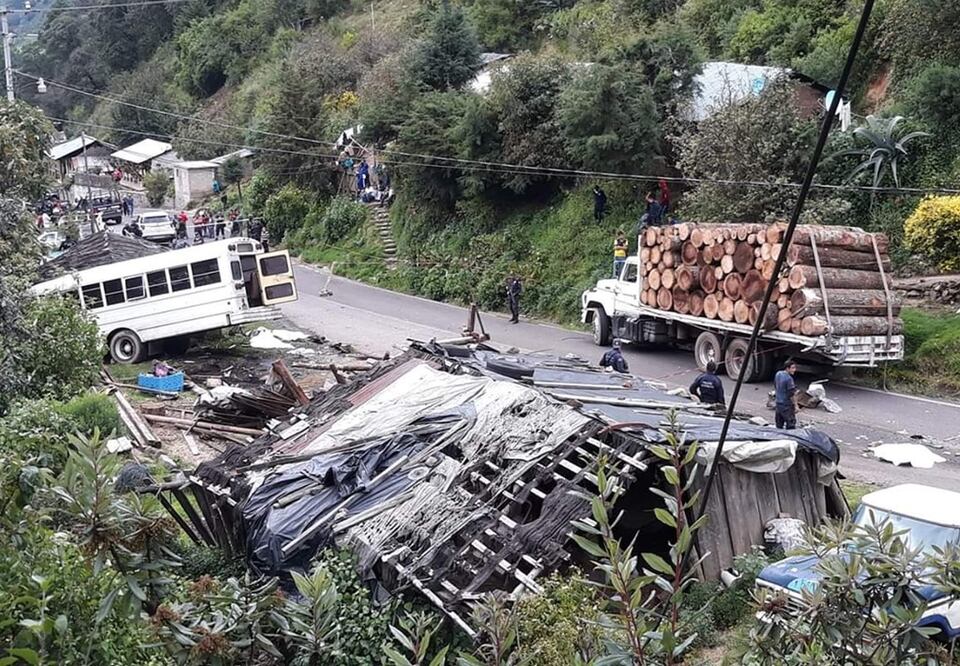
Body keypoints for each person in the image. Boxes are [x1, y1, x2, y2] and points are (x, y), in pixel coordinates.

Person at [774, 359, 799, 430]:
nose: (794, 370)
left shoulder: (778, 374)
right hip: (786, 405)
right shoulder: (789, 379)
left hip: (778, 403)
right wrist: (796, 406)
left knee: (779, 424)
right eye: (793, 368)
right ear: (787, 368)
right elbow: (792, 394)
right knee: (791, 423)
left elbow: (776, 386)